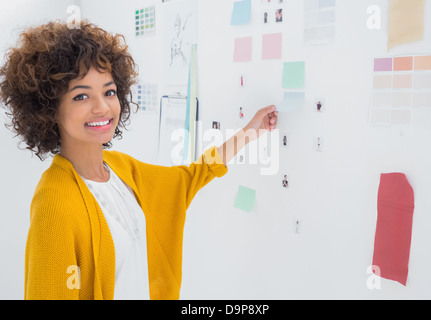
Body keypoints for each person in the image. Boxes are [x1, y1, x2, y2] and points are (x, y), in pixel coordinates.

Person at [0, 20, 278, 300]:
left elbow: (190, 177)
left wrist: (248, 134)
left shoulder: (121, 169)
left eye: (109, 92)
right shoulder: (55, 204)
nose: (102, 107)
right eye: (81, 96)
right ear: (49, 109)